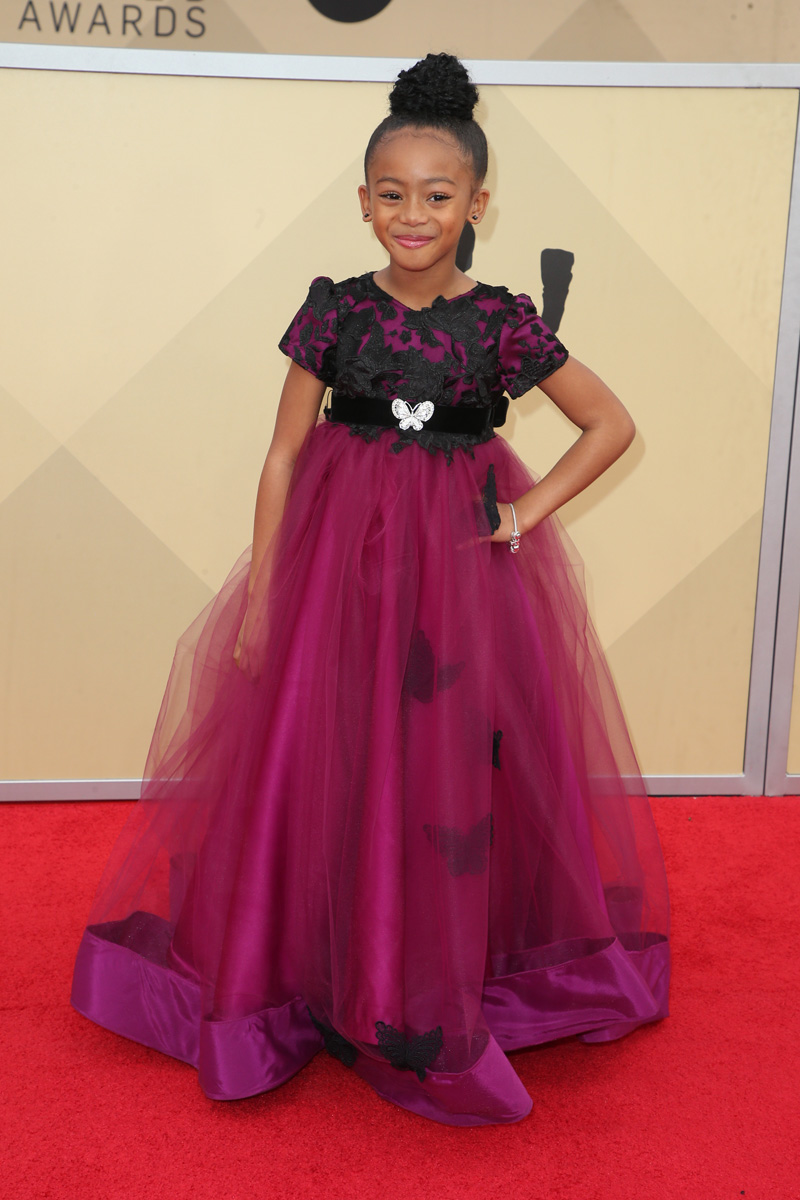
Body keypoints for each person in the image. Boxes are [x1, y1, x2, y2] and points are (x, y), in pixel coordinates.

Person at [71, 53, 670, 1128]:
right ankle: (302, 970)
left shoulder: (502, 321)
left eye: (437, 196)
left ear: (476, 205)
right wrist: (263, 598)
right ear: (362, 202)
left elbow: (611, 424)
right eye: (391, 195)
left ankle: (434, 969)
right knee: (323, 749)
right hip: (331, 576)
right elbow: (280, 456)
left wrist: (524, 515)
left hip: (456, 584)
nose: (413, 215)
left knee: (445, 761)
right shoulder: (333, 311)